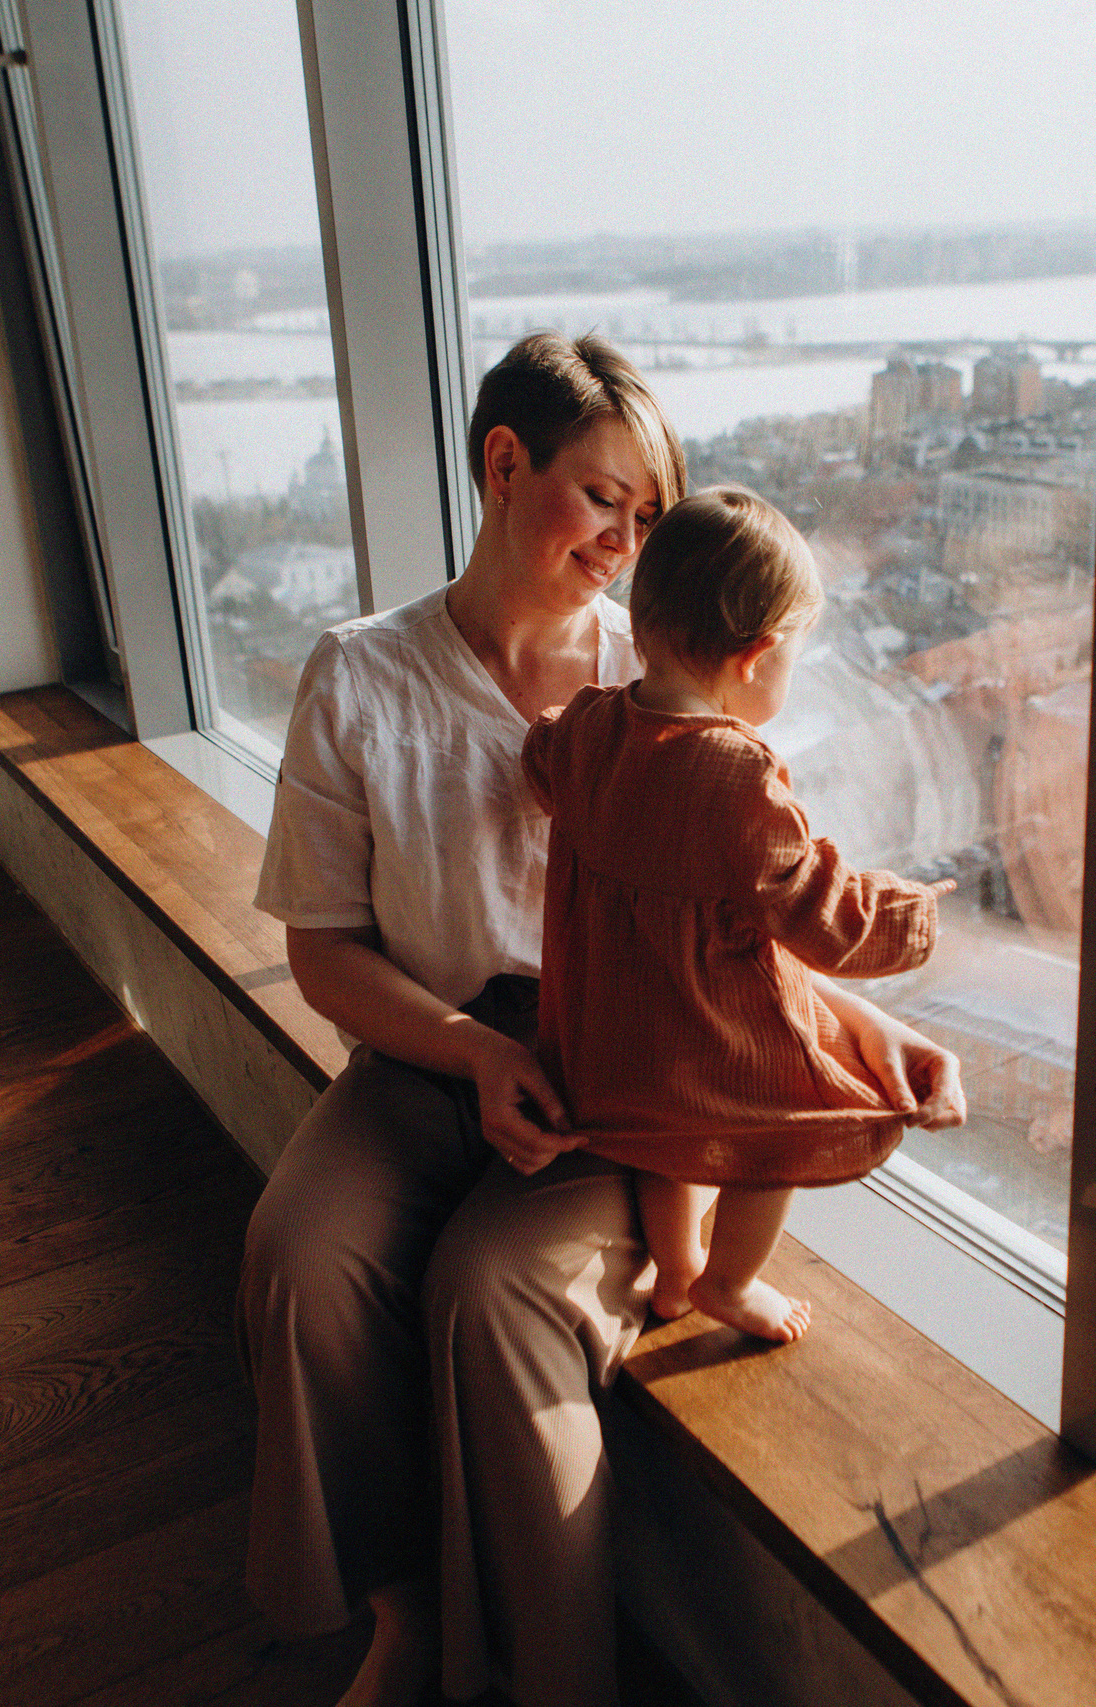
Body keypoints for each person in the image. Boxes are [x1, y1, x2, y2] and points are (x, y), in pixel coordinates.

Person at [237, 332, 967, 1707]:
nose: (627, 543)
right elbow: (323, 952)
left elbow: (735, 916)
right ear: (505, 464)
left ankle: (556, 1677)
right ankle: (404, 1617)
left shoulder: (670, 672)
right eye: (602, 500)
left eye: (649, 516)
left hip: (618, 1070)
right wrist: (472, 1051)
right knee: (300, 1253)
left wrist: (853, 1033)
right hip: (430, 1044)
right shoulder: (363, 674)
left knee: (493, 1293)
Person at [523, 488, 952, 1344]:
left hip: (611, 1048)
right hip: (706, 1039)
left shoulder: (589, 727)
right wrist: (915, 910)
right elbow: (822, 916)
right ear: (756, 658)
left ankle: (678, 1271)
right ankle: (729, 1280)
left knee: (666, 1142)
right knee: (781, 1128)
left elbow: (540, 758)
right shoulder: (738, 778)